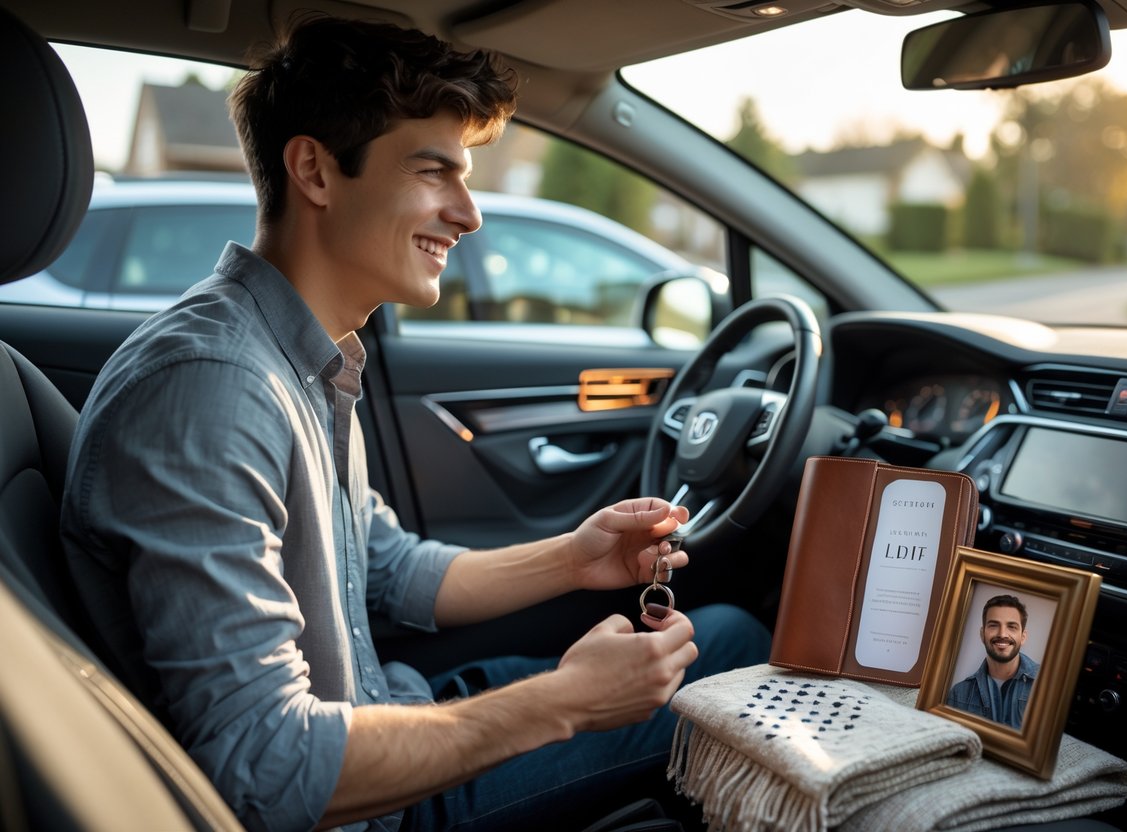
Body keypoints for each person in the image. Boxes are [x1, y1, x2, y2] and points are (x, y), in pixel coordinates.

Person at [59, 14, 771, 832]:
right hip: (363, 801)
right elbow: (261, 768)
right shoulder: (213, 389)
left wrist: (575, 558)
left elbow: (387, 569)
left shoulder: (298, 355)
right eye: (434, 172)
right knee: (729, 648)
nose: (468, 215)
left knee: (716, 636)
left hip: (386, 706)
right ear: (316, 172)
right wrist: (565, 703)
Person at [946, 593, 1039, 730]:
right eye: (994, 625)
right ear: (982, 634)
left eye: (1011, 627)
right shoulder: (958, 693)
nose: (1002, 634)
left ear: (1023, 637)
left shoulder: (1047, 684)